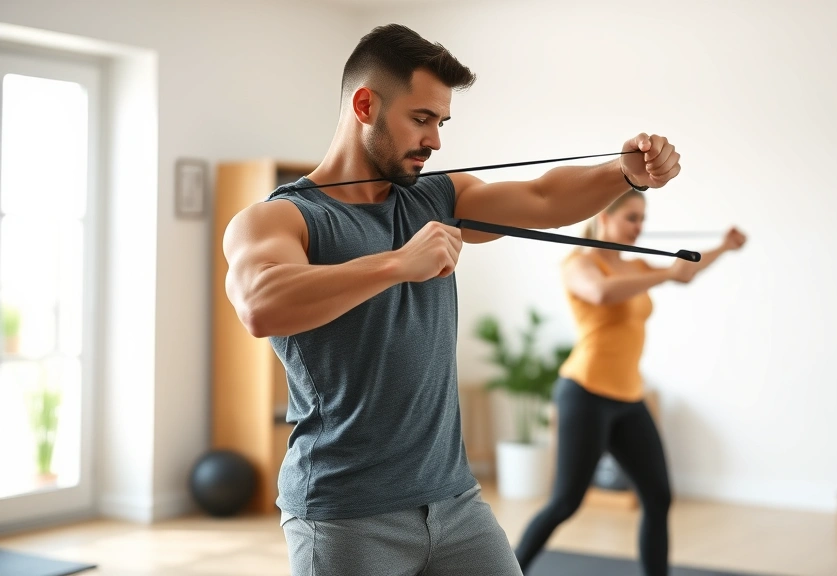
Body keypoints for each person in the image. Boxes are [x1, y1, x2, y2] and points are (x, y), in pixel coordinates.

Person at [221, 23, 682, 576]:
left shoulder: (435, 197)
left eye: (440, 122)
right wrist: (396, 264)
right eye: (420, 119)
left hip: (455, 501)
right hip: (345, 512)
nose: (435, 140)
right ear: (365, 105)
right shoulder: (283, 217)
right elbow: (259, 303)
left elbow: (541, 196)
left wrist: (623, 172)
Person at [513, 190, 746, 576]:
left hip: (628, 397)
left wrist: (724, 246)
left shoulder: (637, 267)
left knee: (658, 497)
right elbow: (601, 294)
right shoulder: (579, 263)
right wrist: (666, 273)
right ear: (604, 217)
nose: (639, 227)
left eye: (642, 219)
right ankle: (511, 569)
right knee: (565, 503)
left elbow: (686, 271)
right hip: (584, 393)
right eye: (631, 218)